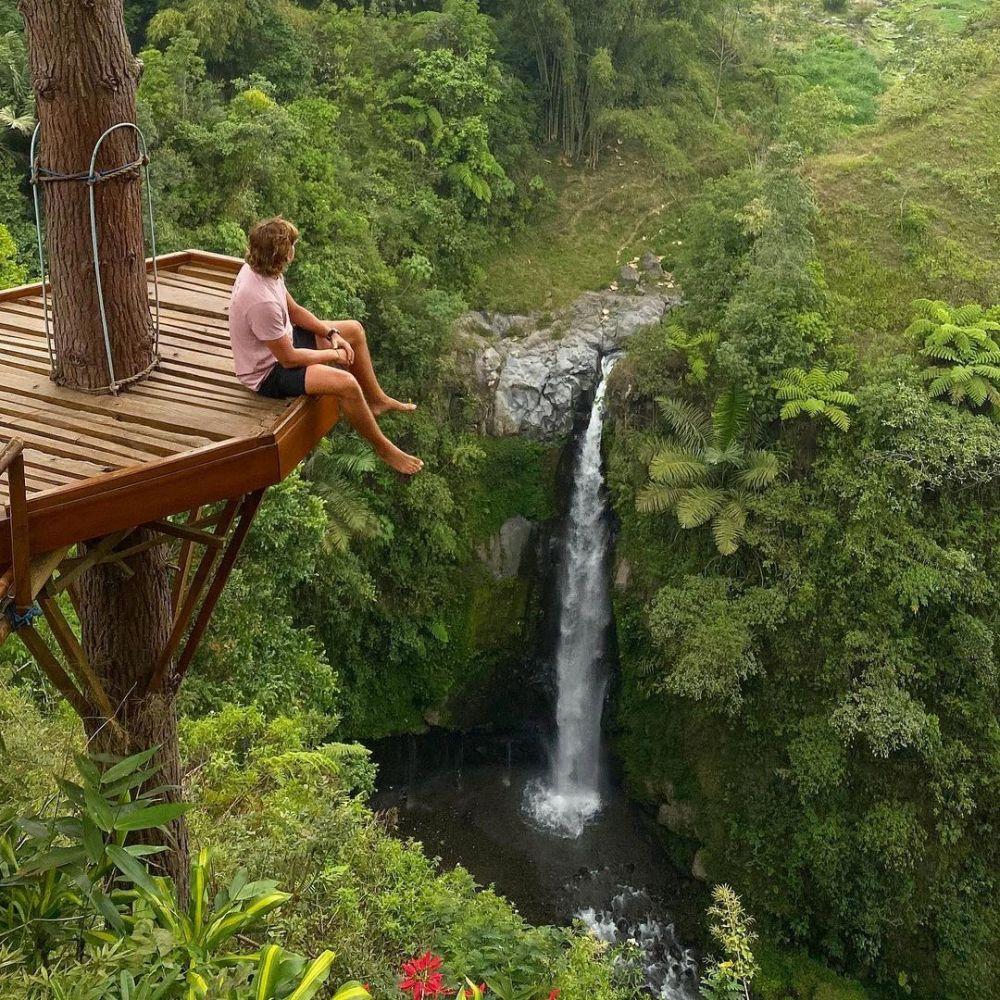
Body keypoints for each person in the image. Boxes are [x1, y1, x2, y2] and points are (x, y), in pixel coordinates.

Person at [229, 217, 423, 475]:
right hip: (268, 372)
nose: (294, 251)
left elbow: (295, 312)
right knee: (346, 384)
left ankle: (377, 400)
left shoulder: (263, 272)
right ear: (281, 256)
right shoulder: (260, 302)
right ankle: (384, 448)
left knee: (353, 330)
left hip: (283, 343)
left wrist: (331, 333)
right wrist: (333, 354)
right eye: (291, 246)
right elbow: (288, 359)